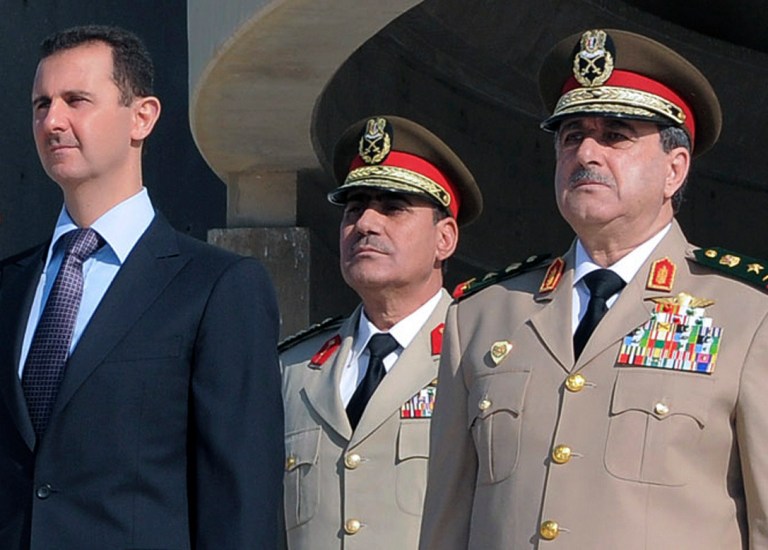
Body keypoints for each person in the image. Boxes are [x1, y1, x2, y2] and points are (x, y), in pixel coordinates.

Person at [420, 28, 768, 549]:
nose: (586, 151)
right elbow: (447, 522)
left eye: (616, 135)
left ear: (675, 169)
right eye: (570, 135)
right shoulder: (482, 316)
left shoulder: (747, 314)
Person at [0, 25, 283, 549]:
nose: (52, 121)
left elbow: (241, 502)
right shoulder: (10, 288)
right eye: (41, 104)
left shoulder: (215, 288)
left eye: (75, 100)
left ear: (142, 117)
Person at [279, 115, 482, 549]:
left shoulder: (480, 356)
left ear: (444, 239)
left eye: (393, 207)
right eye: (354, 209)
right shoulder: (295, 369)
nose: (366, 224)